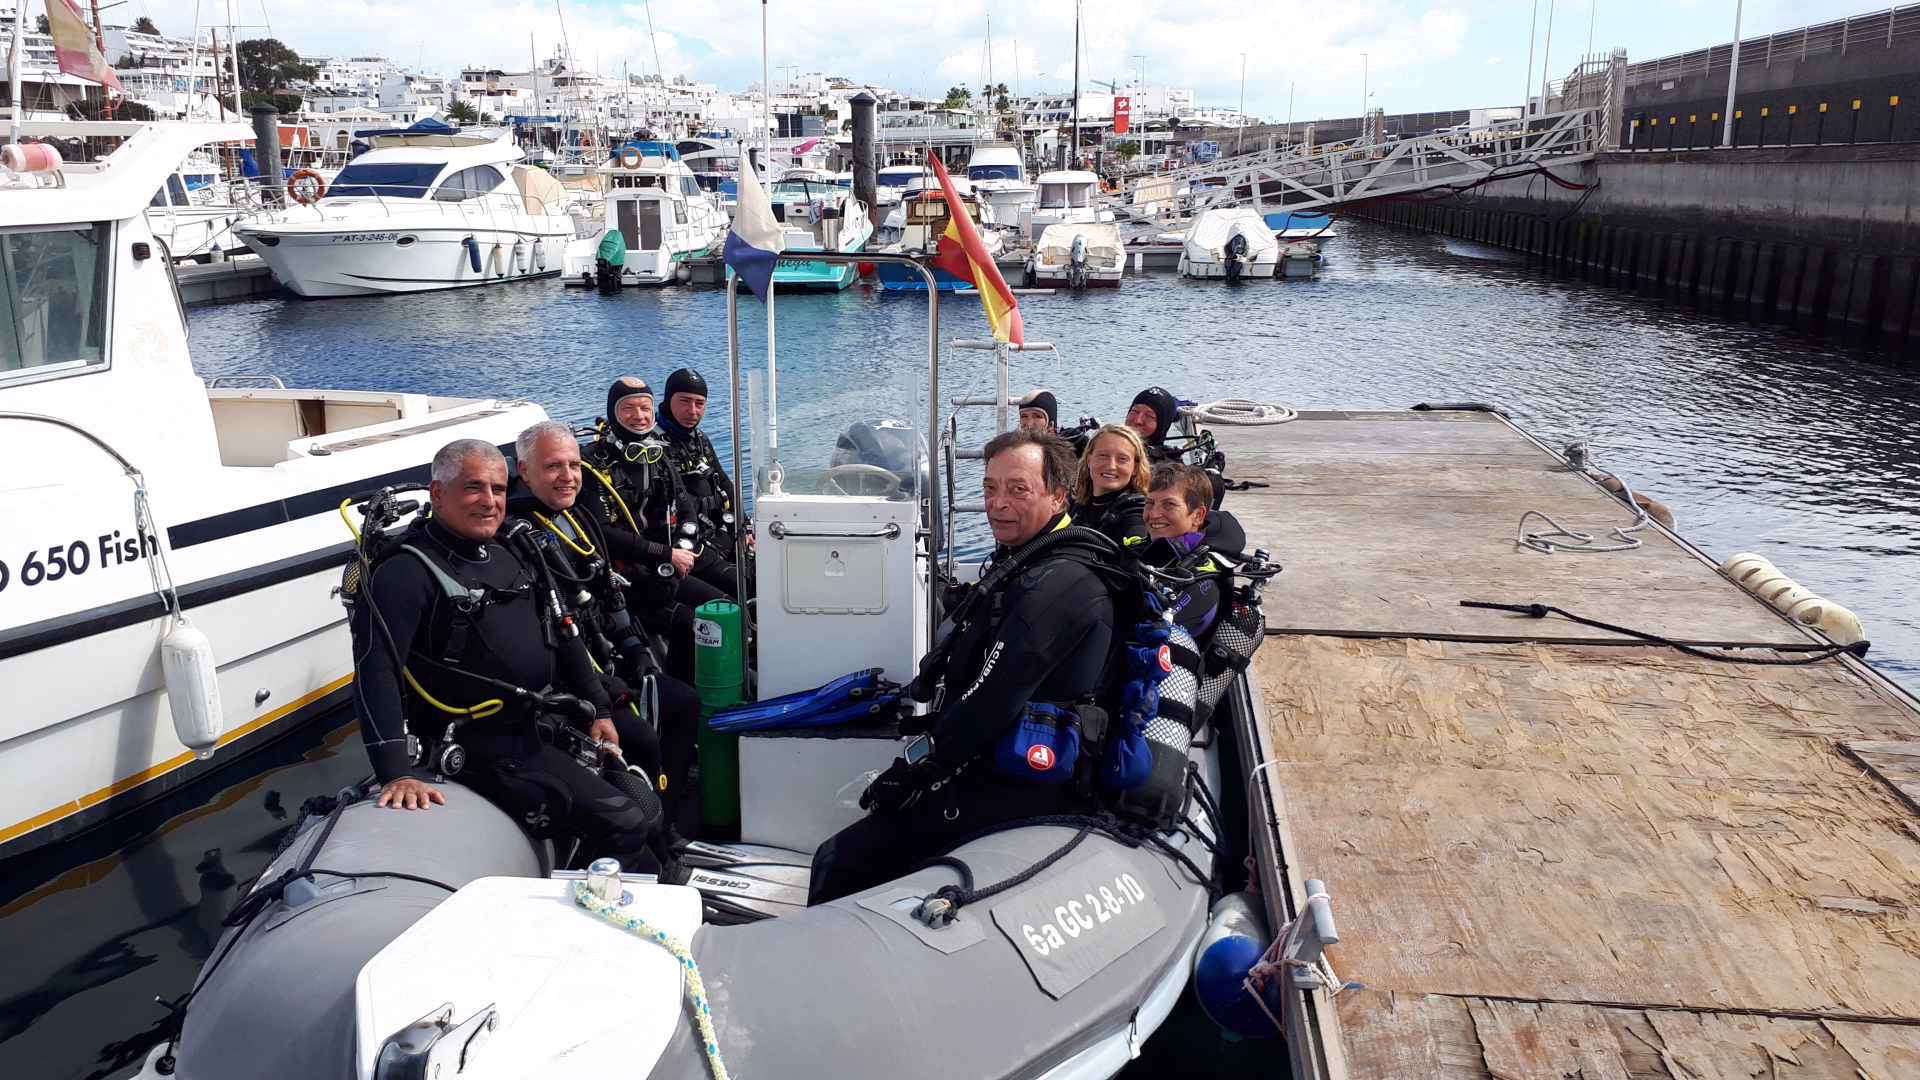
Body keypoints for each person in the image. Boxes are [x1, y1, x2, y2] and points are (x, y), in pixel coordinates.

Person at [809, 428, 1122, 905]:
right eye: (990, 488)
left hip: (1024, 780)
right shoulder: (1029, 558)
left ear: (1059, 495)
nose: (998, 503)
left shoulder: (1060, 585)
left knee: (839, 858)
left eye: (1019, 489)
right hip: (994, 755)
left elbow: (993, 699)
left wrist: (912, 773)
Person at [350, 439, 662, 872]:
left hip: (543, 716)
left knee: (644, 775)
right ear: (438, 494)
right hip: (481, 739)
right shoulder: (405, 571)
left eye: (498, 489)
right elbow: (375, 670)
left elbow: (564, 631)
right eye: (474, 488)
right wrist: (395, 771)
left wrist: (598, 709)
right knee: (623, 822)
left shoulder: (510, 547)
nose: (490, 501)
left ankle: (669, 865)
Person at [512, 420, 703, 835]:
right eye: (552, 467)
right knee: (641, 737)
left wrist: (637, 653)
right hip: (567, 680)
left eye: (574, 465)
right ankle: (650, 833)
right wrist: (599, 693)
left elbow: (609, 594)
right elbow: (548, 633)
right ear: (524, 471)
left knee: (684, 703)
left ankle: (667, 818)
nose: (568, 476)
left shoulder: (578, 516)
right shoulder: (515, 537)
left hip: (604, 656)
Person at [578, 377, 702, 680]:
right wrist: (666, 556)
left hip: (664, 567)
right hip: (623, 579)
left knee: (723, 608)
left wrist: (679, 554)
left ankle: (715, 684)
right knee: (687, 624)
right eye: (628, 408)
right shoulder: (592, 464)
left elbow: (687, 514)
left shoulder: (658, 454)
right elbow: (604, 533)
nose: (639, 416)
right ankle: (682, 691)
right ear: (612, 413)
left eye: (645, 408)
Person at [657, 368, 744, 605]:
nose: (693, 411)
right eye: (684, 401)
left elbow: (724, 481)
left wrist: (744, 526)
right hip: (687, 544)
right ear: (667, 400)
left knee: (766, 573)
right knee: (745, 585)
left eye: (700, 403)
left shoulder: (699, 439)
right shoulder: (653, 447)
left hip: (717, 532)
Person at [1069, 423, 1150, 549]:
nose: (1111, 466)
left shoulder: (1137, 517)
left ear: (1134, 468)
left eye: (1122, 459)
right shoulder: (1078, 504)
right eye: (1103, 455)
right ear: (1089, 460)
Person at [1125, 386, 1182, 464]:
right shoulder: (1106, 446)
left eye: (1149, 416)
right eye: (1135, 411)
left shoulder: (1168, 470)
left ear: (1162, 426)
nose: (1138, 420)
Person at [595, 227, 625, 294]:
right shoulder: (617, 243)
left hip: (603, 262)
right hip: (611, 265)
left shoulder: (605, 243)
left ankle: (603, 287)